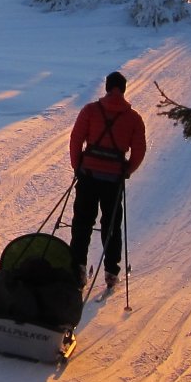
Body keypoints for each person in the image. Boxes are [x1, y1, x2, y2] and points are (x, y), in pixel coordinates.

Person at [68, 70, 147, 291]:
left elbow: (76, 139)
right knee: (110, 225)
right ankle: (112, 272)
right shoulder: (133, 118)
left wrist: (77, 166)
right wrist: (127, 170)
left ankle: (77, 269)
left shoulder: (90, 111)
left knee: (82, 223)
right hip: (113, 179)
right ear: (123, 89)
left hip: (89, 175)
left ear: (106, 87)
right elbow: (139, 150)